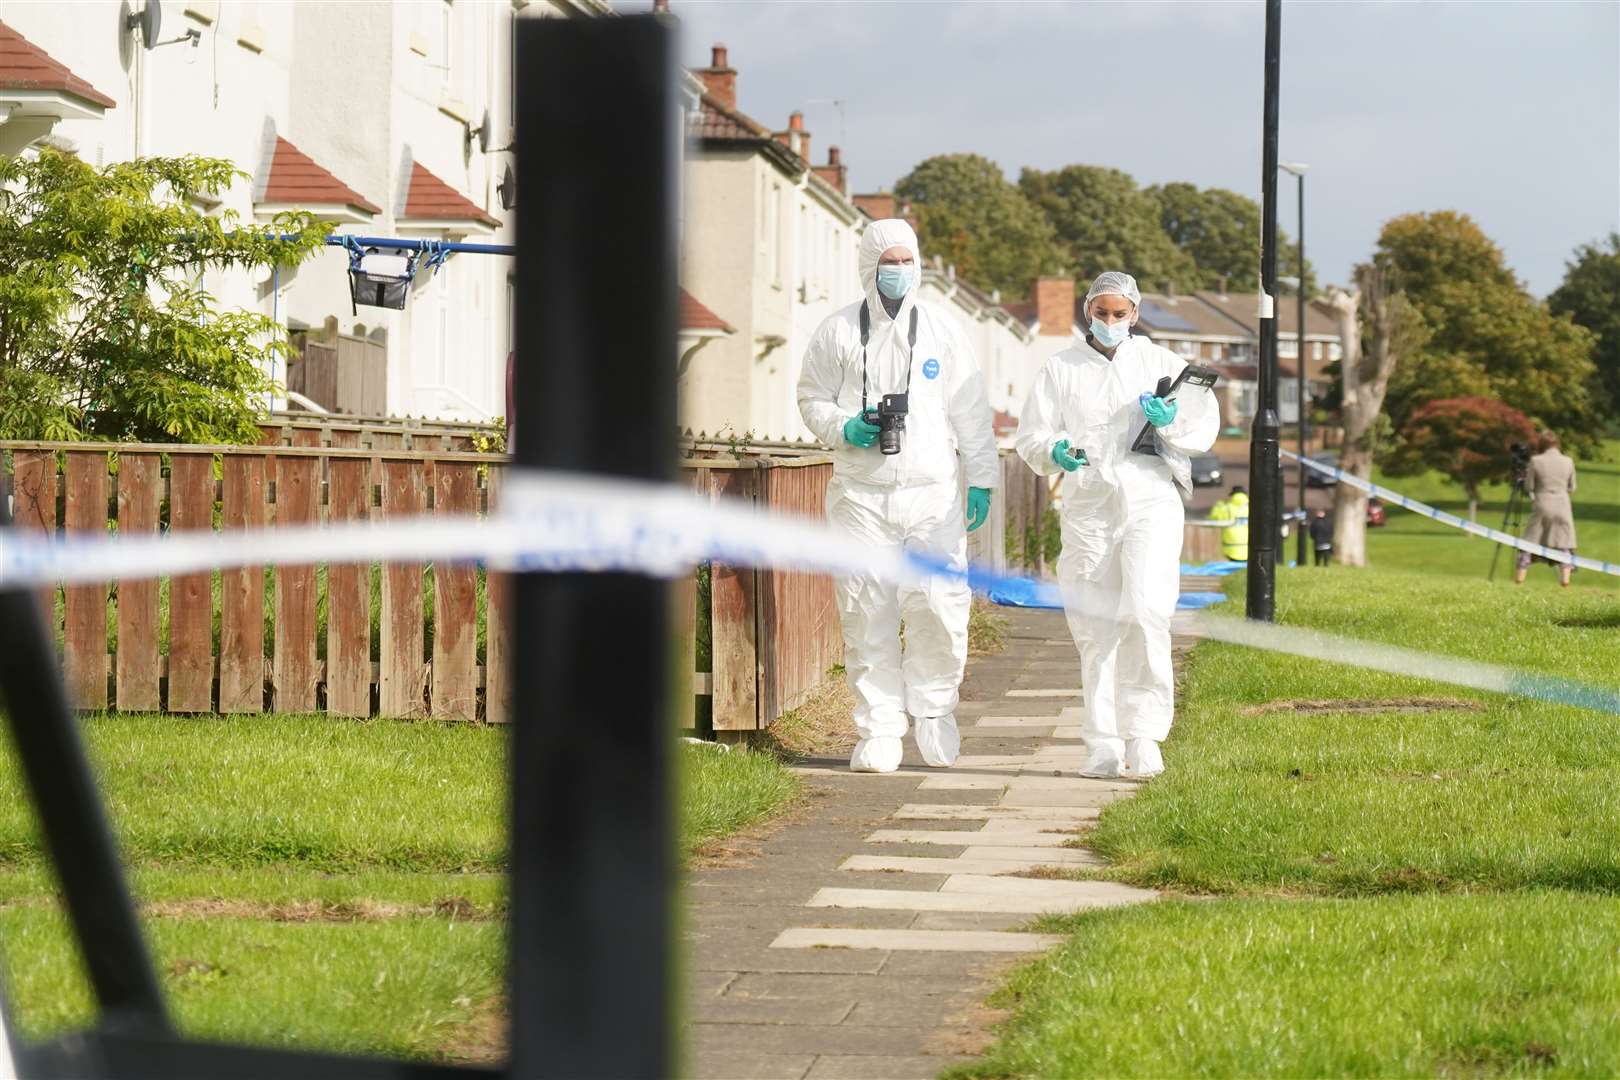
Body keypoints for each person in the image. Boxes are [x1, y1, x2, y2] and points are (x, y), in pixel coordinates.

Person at [797, 219, 997, 773]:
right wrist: (844, 428)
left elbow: (972, 411)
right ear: (868, 265)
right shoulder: (836, 331)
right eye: (890, 260)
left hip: (931, 493)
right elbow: (811, 398)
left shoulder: (942, 330)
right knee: (866, 612)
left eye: (908, 260)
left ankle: (934, 710)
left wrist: (982, 476)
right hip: (860, 497)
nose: (900, 271)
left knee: (938, 604)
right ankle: (880, 727)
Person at [1015, 271, 1218, 780]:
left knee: (1147, 611)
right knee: (1095, 624)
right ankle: (1102, 741)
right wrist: (1053, 450)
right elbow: (1032, 435)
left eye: (1119, 313)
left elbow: (1202, 427)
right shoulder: (1060, 368)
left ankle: (1145, 734)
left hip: (1150, 496)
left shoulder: (1161, 363)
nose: (1109, 322)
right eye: (1101, 313)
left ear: (1135, 313)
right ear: (1088, 312)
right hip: (1089, 505)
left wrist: (1169, 417)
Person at [1516, 432, 1578, 587]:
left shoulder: (1536, 461)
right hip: (1563, 505)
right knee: (1564, 543)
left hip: (1542, 503)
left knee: (1530, 542)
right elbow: (1572, 487)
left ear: (1541, 444)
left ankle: (1520, 579)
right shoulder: (1568, 461)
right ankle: (1565, 580)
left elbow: (1529, 486)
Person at [1208, 485, 1250, 562]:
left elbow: (1213, 520)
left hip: (1231, 548)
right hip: (1249, 548)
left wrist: (1217, 506)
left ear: (1232, 496)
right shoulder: (1251, 507)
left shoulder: (1226, 508)